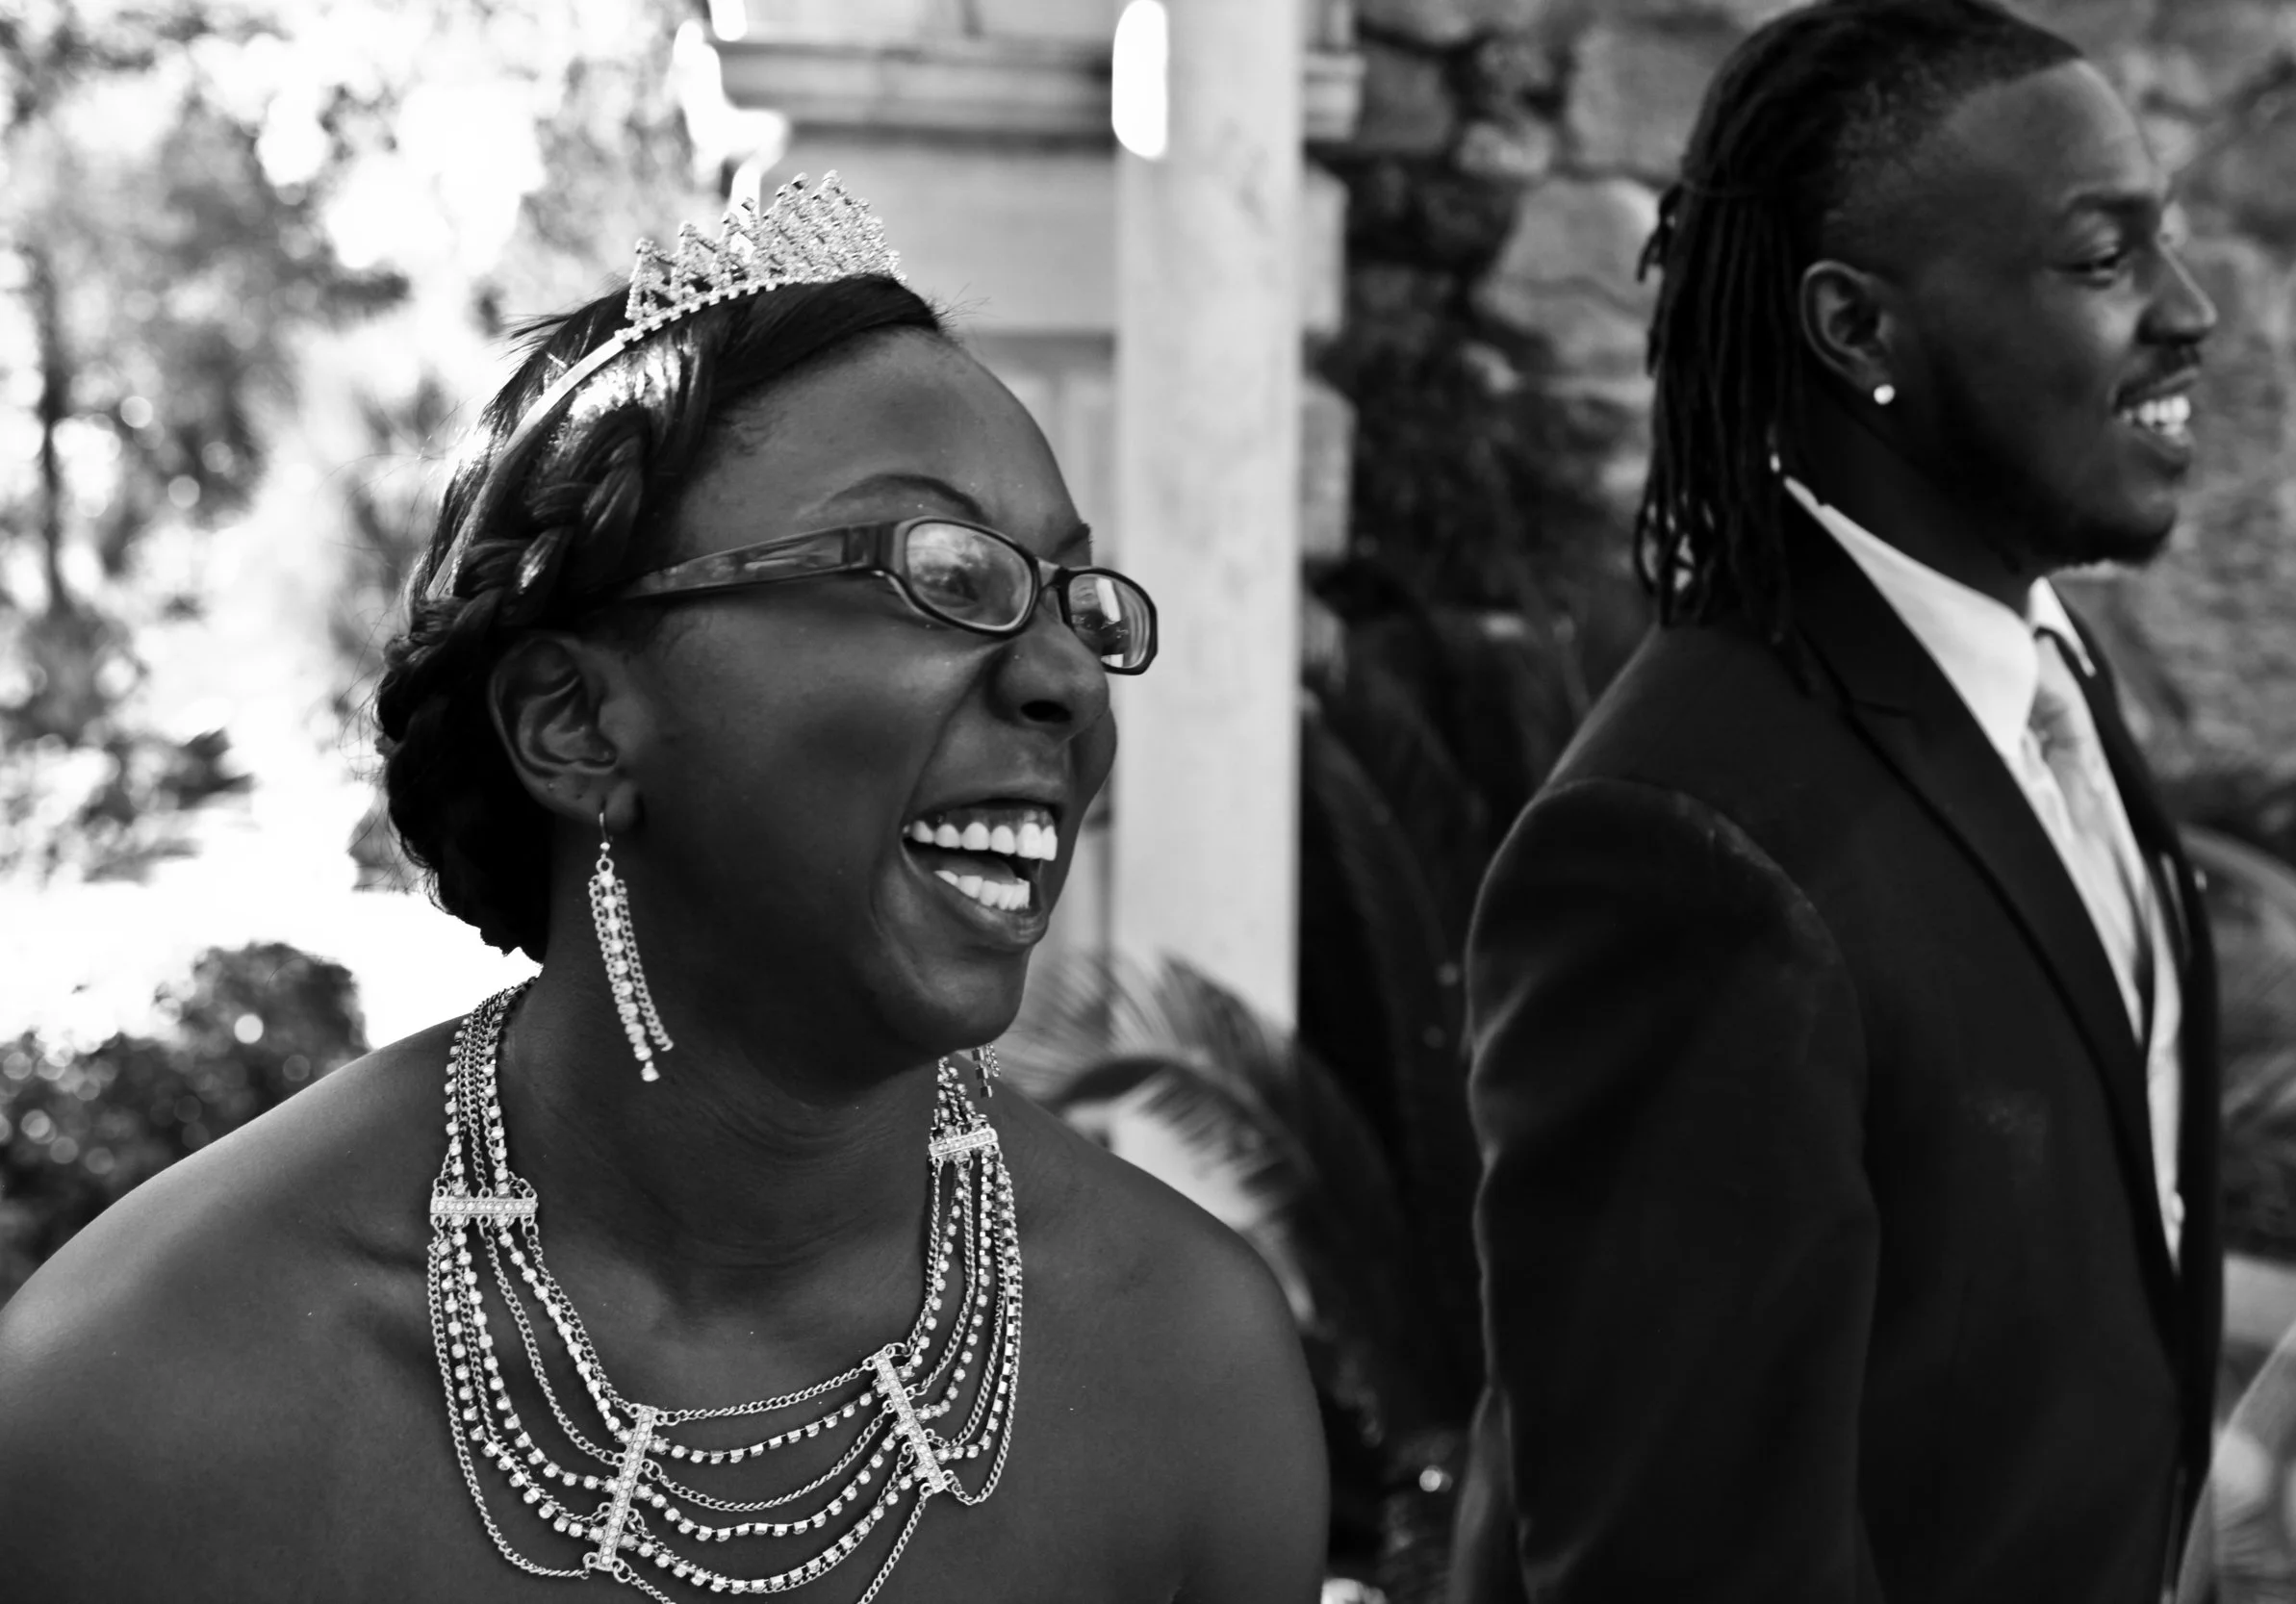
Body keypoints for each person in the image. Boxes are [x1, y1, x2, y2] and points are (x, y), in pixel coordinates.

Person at [0, 175, 1326, 1601]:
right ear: (575, 723)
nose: (1065, 674)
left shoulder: (1189, 1371)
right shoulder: (146, 1398)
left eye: (1075, 596)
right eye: (940, 572)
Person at [1450, 3, 2222, 1600]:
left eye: (2172, 245)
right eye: (2103, 258)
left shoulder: (2045, 685)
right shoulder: (1684, 852)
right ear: (1856, 329)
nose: (2191, 312)